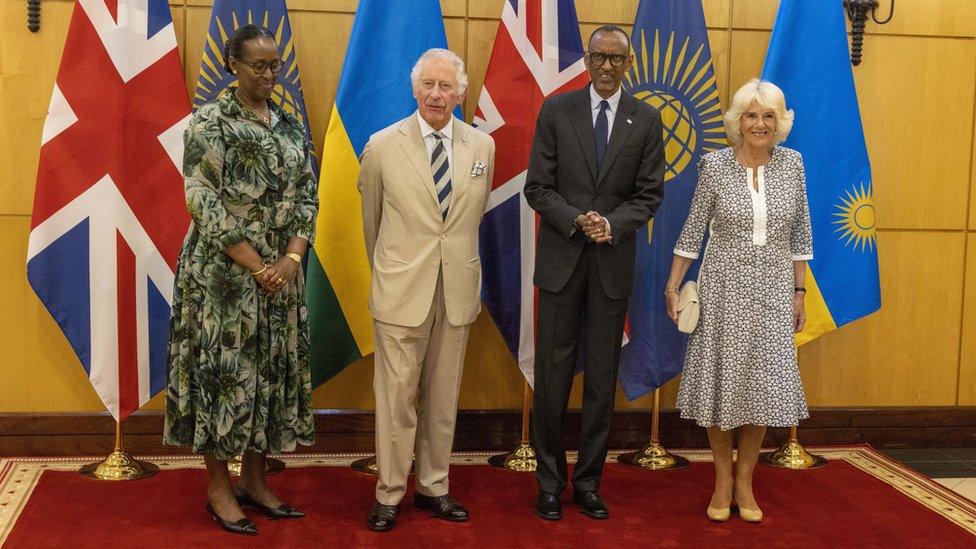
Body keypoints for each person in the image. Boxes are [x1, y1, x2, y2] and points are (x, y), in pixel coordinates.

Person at [163, 25, 317, 536]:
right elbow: (202, 201)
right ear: (233, 64)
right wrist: (257, 265)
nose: (270, 74)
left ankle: (255, 480)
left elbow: (307, 196)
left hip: (280, 276)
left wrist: (291, 260)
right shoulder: (209, 122)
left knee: (270, 376)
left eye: (275, 65)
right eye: (259, 65)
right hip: (223, 280)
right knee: (223, 376)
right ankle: (218, 487)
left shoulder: (291, 124)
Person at [524, 25, 664, 521]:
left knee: (602, 382)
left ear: (628, 64)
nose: (607, 67)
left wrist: (611, 223)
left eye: (616, 60)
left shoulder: (645, 119)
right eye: (599, 58)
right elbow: (537, 187)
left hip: (611, 266)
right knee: (553, 378)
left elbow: (649, 195)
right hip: (561, 261)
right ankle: (548, 483)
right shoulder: (557, 110)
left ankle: (588, 483)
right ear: (586, 59)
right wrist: (575, 219)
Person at [358, 48, 495, 532]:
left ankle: (434, 486)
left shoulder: (482, 148)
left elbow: (469, 220)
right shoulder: (380, 146)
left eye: (447, 87)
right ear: (415, 90)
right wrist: (396, 270)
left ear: (461, 93)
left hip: (455, 289)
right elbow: (371, 224)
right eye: (429, 85)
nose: (438, 95)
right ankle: (389, 492)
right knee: (396, 399)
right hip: (401, 290)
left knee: (442, 396)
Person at [665, 78, 813, 523]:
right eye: (752, 115)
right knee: (721, 386)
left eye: (769, 115)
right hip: (722, 289)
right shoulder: (715, 166)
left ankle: (745, 481)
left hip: (773, 292)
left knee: (761, 390)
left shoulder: (793, 164)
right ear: (738, 121)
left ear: (780, 121)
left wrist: (799, 293)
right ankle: (722, 480)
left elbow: (800, 235)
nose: (760, 123)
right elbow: (693, 231)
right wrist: (674, 287)